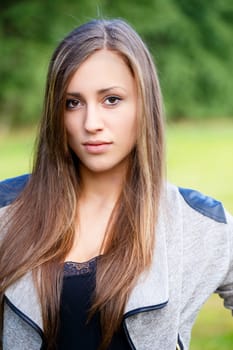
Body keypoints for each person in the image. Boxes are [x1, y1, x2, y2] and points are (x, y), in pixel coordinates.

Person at [0, 18, 232, 350]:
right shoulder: (6, 212)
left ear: (144, 105)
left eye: (111, 100)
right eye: (73, 102)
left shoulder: (196, 224)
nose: (91, 123)